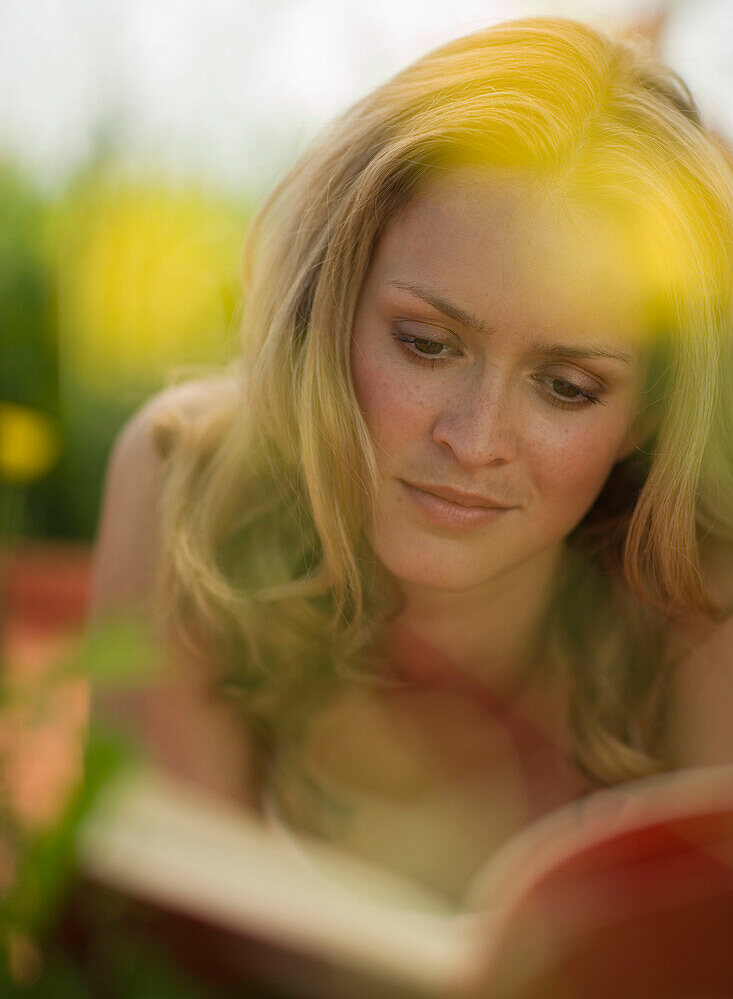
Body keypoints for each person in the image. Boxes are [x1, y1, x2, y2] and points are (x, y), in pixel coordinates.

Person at [90, 15, 732, 910]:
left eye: (568, 388)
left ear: (649, 412)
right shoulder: (191, 479)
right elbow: (154, 971)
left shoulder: (700, 587)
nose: (472, 441)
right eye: (426, 345)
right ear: (334, 296)